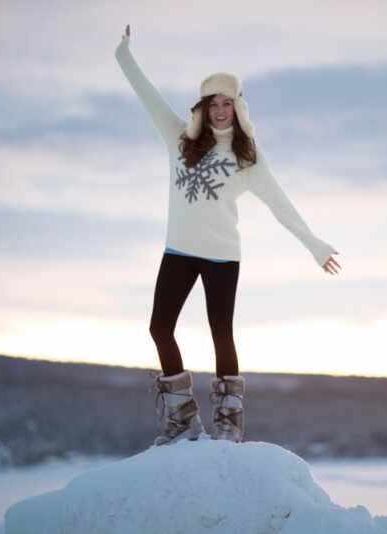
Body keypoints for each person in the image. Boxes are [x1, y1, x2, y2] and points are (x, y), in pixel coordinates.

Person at [114, 23, 341, 447]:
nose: (220, 111)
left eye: (228, 103)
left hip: (222, 255)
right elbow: (147, 96)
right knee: (160, 327)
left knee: (221, 333)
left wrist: (314, 244)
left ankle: (229, 423)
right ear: (203, 106)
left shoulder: (247, 156)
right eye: (213, 103)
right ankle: (182, 420)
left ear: (238, 108)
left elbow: (279, 202)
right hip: (178, 251)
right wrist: (123, 54)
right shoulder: (180, 138)